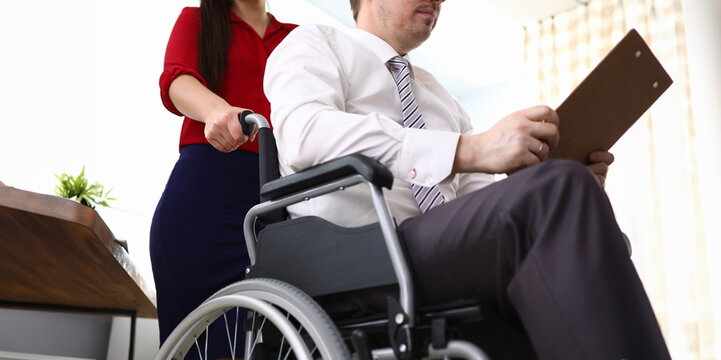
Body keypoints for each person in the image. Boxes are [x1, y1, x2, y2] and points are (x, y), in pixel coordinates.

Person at [263, 0, 671, 359]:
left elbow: (476, 206)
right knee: (556, 193)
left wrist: (563, 191)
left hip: (433, 254)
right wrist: (468, 150)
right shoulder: (314, 43)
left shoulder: (441, 98)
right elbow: (304, 132)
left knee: (566, 197)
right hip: (358, 256)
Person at [149, 0, 296, 355]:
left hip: (280, 195)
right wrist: (217, 110)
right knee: (200, 343)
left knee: (272, 337)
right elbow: (177, 78)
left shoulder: (295, 38)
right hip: (204, 193)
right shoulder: (198, 20)